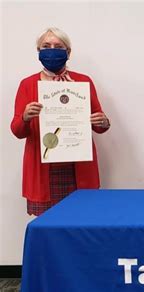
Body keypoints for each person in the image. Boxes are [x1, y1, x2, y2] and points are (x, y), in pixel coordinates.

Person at [10, 27, 110, 215]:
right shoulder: (27, 84)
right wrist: (24, 118)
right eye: (46, 46)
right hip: (43, 171)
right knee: (48, 229)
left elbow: (99, 124)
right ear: (39, 51)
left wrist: (103, 121)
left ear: (68, 52)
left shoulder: (83, 82)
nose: (52, 50)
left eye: (58, 46)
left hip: (78, 167)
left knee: (81, 223)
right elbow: (17, 130)